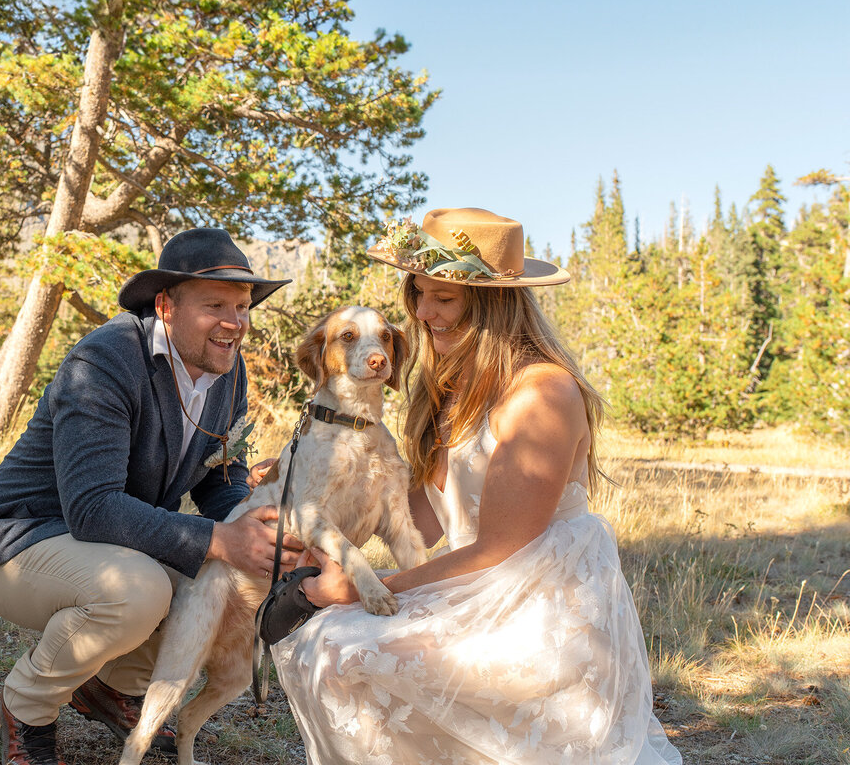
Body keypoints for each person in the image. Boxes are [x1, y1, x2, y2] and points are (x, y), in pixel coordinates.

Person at [272, 208, 682, 764]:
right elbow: (424, 517)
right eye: (418, 293)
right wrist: (311, 534)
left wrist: (368, 586)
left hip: (537, 606)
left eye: (444, 298)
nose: (423, 312)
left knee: (344, 651)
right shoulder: (455, 381)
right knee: (324, 633)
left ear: (493, 302)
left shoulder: (542, 395)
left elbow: (498, 548)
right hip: (479, 587)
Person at [0, 227, 302, 765]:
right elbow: (93, 506)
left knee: (214, 579)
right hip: (19, 540)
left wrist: (256, 526)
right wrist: (219, 537)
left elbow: (219, 474)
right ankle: (25, 707)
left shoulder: (227, 368)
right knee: (140, 590)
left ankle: (108, 688)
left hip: (110, 542)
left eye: (242, 307)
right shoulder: (104, 362)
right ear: (166, 305)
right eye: (215, 304)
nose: (235, 323)